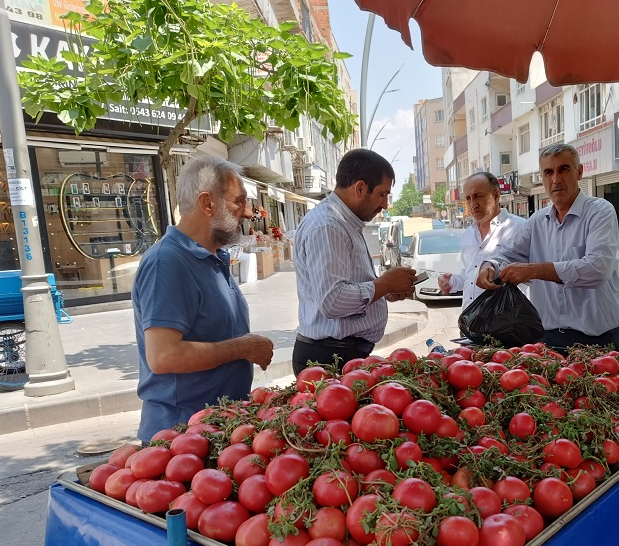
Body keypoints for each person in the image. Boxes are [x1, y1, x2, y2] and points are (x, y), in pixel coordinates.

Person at [133, 156, 274, 442]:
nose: (248, 213)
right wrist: (244, 347)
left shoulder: (213, 257)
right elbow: (163, 357)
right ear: (208, 204)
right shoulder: (167, 262)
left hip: (217, 427)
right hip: (182, 435)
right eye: (239, 201)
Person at [475, 143, 619, 353]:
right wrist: (489, 265)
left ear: (579, 172)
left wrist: (534, 270)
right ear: (542, 177)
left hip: (599, 342)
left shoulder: (600, 212)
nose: (556, 179)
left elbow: (596, 269)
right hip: (548, 340)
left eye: (563, 169)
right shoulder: (537, 221)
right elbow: (506, 254)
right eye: (548, 172)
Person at [293, 149, 417, 374]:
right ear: (360, 188)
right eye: (382, 194)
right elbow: (332, 300)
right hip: (329, 356)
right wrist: (384, 285)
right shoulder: (329, 226)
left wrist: (384, 291)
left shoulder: (344, 222)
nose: (385, 204)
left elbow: (348, 284)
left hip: (341, 353)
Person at [437, 172, 525, 309]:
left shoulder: (520, 228)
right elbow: (469, 274)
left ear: (496, 196)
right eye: (468, 198)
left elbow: (531, 274)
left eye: (478, 196)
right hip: (470, 322)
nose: (473, 204)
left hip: (507, 323)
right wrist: (451, 282)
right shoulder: (468, 234)